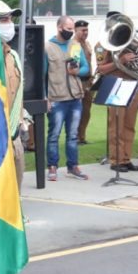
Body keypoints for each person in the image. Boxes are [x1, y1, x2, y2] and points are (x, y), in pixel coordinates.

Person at [0, 0, 26, 274]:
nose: (8, 24)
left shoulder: (12, 55)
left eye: (9, 18)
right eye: (2, 19)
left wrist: (23, 123)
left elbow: (16, 97)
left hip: (14, 143)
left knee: (10, 218)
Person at [43, 15, 90, 181]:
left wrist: (78, 72)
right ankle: (53, 166)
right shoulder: (47, 47)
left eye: (72, 29)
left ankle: (73, 167)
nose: (71, 32)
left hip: (75, 97)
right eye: (69, 29)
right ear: (59, 27)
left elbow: (86, 68)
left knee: (72, 135)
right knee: (54, 134)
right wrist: (45, 97)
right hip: (56, 97)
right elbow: (42, 75)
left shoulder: (76, 46)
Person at [96, 11, 138, 172]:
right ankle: (116, 160)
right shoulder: (102, 45)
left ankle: (126, 158)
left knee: (130, 125)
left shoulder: (130, 42)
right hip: (115, 86)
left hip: (131, 85)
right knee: (117, 125)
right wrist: (120, 61)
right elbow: (102, 69)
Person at [73, 20, 94, 145]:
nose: (85, 33)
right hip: (78, 81)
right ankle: (75, 137)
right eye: (83, 30)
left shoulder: (87, 44)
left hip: (89, 81)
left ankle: (82, 136)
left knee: (86, 110)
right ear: (75, 31)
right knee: (77, 110)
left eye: (87, 30)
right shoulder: (74, 45)